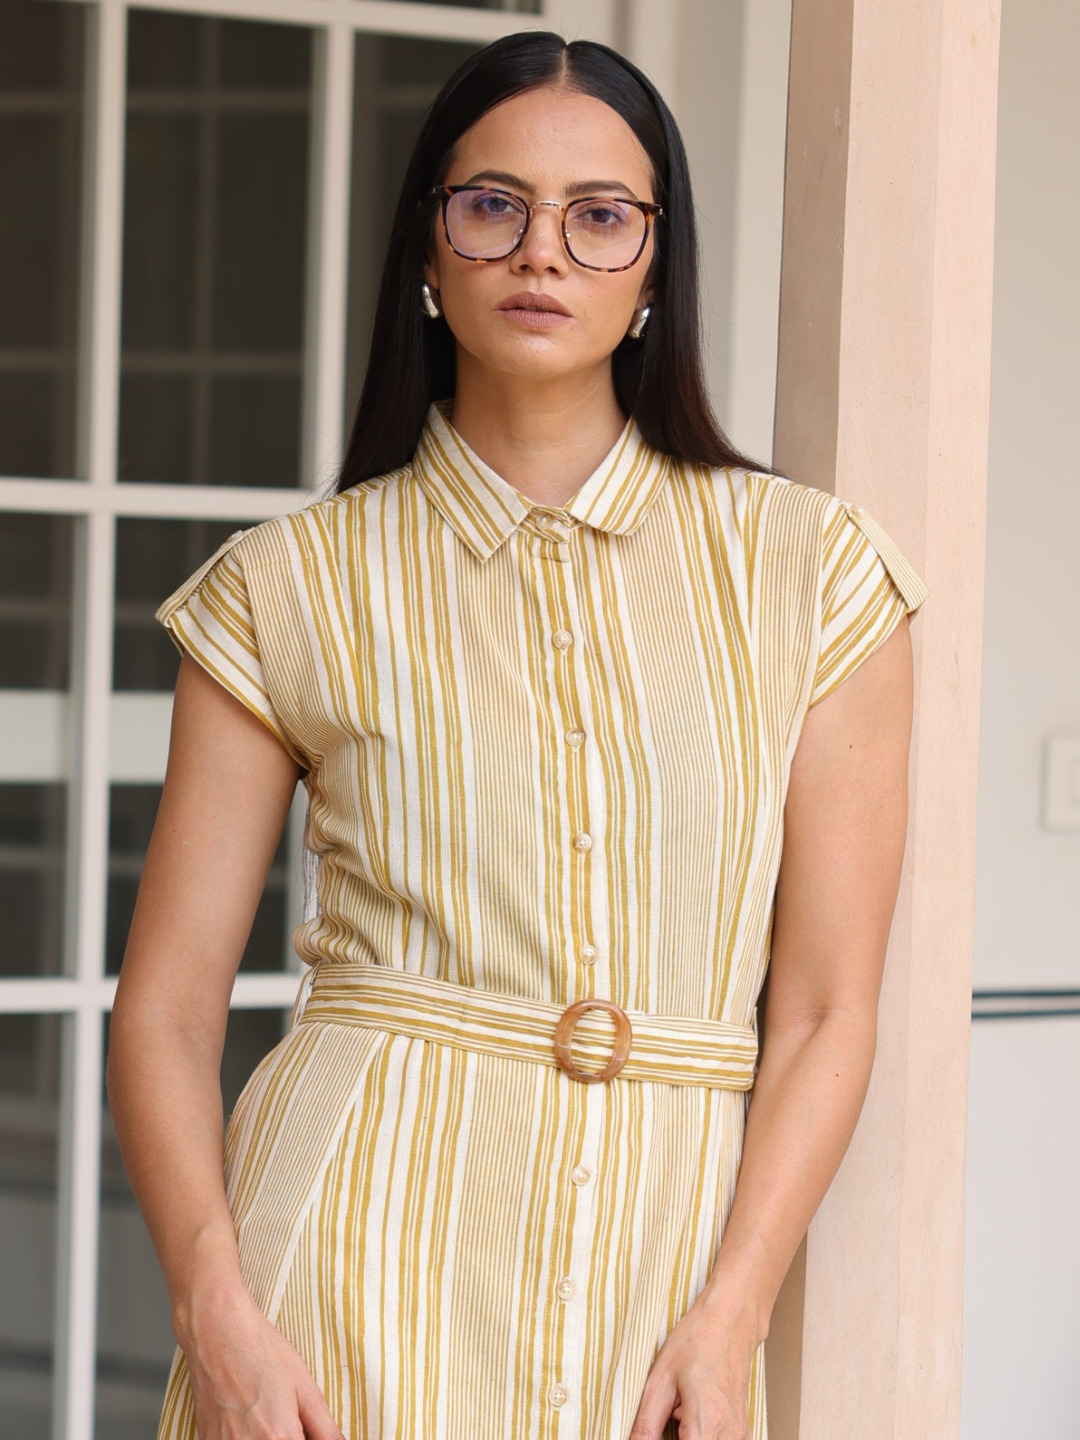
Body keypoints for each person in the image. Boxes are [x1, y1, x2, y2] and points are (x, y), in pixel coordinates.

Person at [107, 29, 927, 1440]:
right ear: (428, 250)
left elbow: (824, 1013)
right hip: (346, 1279)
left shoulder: (816, 574)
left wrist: (733, 1313)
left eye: (600, 216)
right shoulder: (289, 584)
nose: (542, 252)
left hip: (660, 1298)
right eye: (492, 205)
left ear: (656, 267)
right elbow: (168, 1017)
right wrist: (219, 1315)